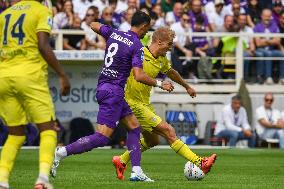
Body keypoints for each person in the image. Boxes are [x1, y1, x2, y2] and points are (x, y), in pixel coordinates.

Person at [51, 11, 174, 182]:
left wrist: (104, 31)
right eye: (148, 28)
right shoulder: (137, 45)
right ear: (144, 26)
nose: (148, 32)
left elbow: (93, 24)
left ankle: (136, 171)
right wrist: (160, 83)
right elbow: (138, 75)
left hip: (104, 86)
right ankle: (62, 152)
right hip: (114, 91)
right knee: (102, 137)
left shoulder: (114, 33)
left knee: (134, 127)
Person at [112, 27, 217, 181]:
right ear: (159, 42)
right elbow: (137, 75)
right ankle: (200, 162)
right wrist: (160, 83)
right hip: (131, 103)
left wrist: (187, 86)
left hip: (144, 103)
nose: (171, 47)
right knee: (169, 131)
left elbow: (171, 72)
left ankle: (121, 160)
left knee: (152, 140)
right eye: (169, 44)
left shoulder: (161, 59)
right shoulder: (139, 53)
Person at [0, 0, 71, 188]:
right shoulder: (41, 10)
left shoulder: (4, 14)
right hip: (30, 75)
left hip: (4, 77)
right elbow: (42, 45)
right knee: (48, 129)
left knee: (15, 134)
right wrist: (62, 75)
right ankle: (42, 180)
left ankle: (2, 180)